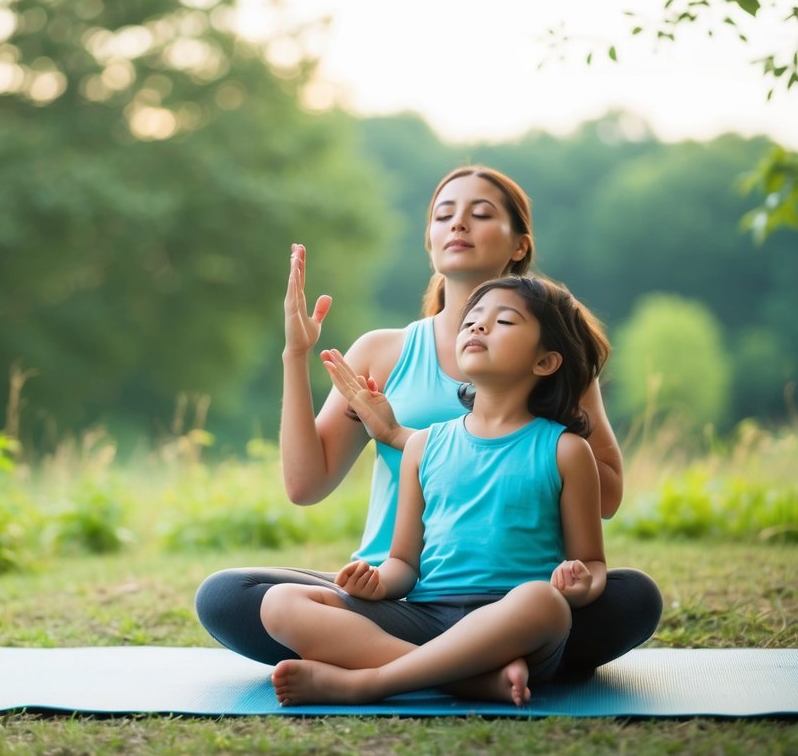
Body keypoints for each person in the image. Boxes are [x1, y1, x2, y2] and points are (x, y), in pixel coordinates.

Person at [195, 165, 660, 674]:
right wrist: (294, 354)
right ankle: (470, 674)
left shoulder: (553, 359)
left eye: (480, 214)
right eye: (444, 215)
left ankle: (395, 666)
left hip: (519, 593)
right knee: (229, 595)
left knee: (632, 596)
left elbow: (606, 497)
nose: (458, 224)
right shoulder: (382, 351)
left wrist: (406, 433)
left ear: (520, 245)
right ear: (429, 240)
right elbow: (306, 486)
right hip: (395, 593)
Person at [262, 275, 608, 705]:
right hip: (427, 615)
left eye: (504, 321)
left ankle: (368, 683)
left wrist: (580, 584)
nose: (478, 327)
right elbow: (403, 563)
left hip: (512, 626)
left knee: (545, 601)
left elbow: (592, 561)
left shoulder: (567, 451)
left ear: (545, 362)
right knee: (279, 603)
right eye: (472, 321)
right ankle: (473, 680)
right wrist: (377, 582)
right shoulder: (423, 446)